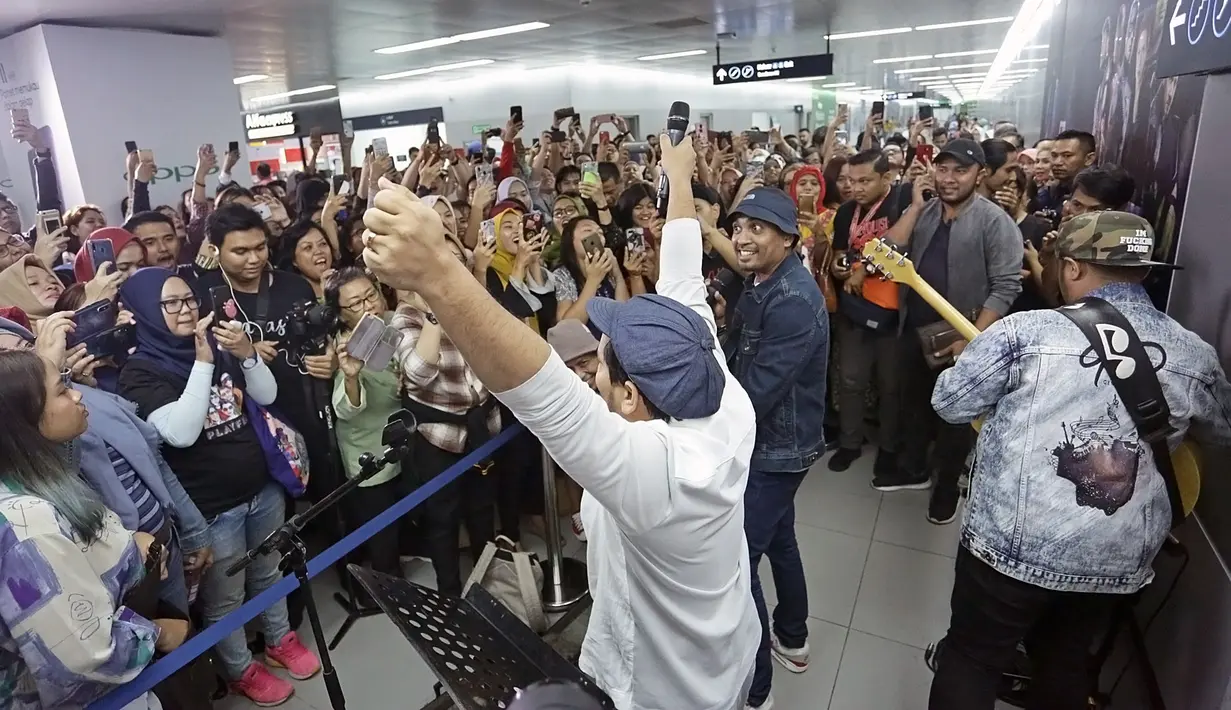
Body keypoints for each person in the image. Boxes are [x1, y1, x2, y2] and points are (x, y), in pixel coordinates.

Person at [360, 130, 761, 710]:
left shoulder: (658, 472)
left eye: (599, 359)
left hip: (665, 691)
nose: (588, 363)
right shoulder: (718, 388)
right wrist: (677, 171)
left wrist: (439, 273)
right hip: (724, 650)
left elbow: (543, 392)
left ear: (629, 400)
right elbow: (683, 281)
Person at [926, 212, 1231, 710]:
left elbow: (950, 403)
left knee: (972, 659)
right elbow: (1222, 429)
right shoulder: (1192, 353)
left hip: (1010, 548)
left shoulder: (1025, 332)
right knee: (1066, 665)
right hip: (1114, 557)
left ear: (1070, 267)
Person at [117, 267, 320, 705]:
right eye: (171, 303)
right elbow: (181, 433)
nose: (186, 309)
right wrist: (203, 363)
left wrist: (246, 355)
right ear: (146, 313)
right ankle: (240, 669)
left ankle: (279, 641)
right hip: (211, 507)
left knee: (268, 572)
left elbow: (265, 395)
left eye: (189, 299)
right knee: (224, 598)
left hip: (261, 488)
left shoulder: (216, 344)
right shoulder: (139, 372)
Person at [0, 335, 177, 709]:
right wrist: (155, 635)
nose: (78, 396)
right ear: (25, 421)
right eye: (63, 390)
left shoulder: (34, 478)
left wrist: (132, 546)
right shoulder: (27, 522)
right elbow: (82, 657)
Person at [880, 138, 1023, 524]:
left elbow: (1007, 286)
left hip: (964, 339)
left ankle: (946, 491)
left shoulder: (996, 222)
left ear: (980, 175)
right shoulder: (925, 214)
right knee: (916, 406)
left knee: (955, 421)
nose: (948, 178)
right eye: (942, 169)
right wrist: (914, 205)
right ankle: (915, 470)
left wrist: (972, 338)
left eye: (960, 170)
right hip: (915, 331)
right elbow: (886, 253)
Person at [724, 186, 828, 710]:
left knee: (739, 562)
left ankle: (757, 687)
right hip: (773, 444)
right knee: (781, 541)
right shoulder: (765, 279)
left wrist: (703, 417)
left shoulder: (793, 301)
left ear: (788, 238)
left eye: (756, 228)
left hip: (777, 449)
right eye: (738, 227)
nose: (742, 237)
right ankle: (793, 637)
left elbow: (759, 388)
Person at [827, 149, 913, 475]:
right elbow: (839, 253)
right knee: (851, 379)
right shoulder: (847, 211)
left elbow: (905, 250)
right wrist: (840, 268)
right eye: (851, 180)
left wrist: (864, 267)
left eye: (865, 181)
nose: (856, 188)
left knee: (890, 383)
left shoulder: (900, 205)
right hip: (855, 305)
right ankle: (850, 442)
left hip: (893, 308)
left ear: (885, 178)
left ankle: (889, 447)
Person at [327, 267, 404, 589]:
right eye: (355, 303)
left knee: (400, 518)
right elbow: (344, 408)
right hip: (368, 450)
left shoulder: (386, 327)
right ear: (341, 314)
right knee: (381, 531)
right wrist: (351, 375)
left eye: (370, 294)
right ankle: (389, 590)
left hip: (396, 437)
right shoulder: (345, 348)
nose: (368, 305)